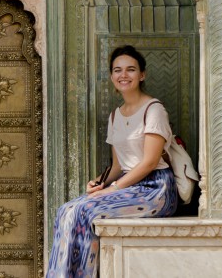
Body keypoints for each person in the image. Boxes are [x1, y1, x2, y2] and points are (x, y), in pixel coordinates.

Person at [46, 45, 177, 277]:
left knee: (84, 211)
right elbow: (118, 166)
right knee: (66, 210)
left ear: (142, 75)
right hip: (128, 186)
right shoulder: (115, 115)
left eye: (130, 69)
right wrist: (99, 183)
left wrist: (112, 189)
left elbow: (148, 162)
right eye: (117, 70)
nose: (123, 75)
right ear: (111, 76)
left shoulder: (154, 110)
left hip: (155, 189)